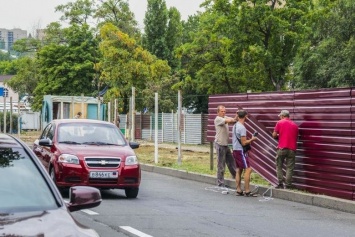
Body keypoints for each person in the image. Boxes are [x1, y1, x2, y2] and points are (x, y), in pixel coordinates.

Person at [232, 110, 258, 197]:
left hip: (235, 149)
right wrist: (252, 139)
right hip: (241, 151)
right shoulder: (242, 128)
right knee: (248, 169)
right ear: (246, 116)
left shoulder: (235, 125)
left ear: (238, 116)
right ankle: (247, 191)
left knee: (239, 169)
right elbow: (244, 143)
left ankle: (238, 190)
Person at [272, 110, 299, 189]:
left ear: (283, 116)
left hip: (282, 148)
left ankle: (280, 183)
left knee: (279, 165)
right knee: (290, 167)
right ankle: (288, 185)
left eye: (280, 116)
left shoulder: (280, 122)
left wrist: (278, 135)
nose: (280, 117)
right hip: (292, 149)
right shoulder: (295, 125)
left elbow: (274, 135)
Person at [214, 105, 237, 187]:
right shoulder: (218, 119)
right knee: (221, 165)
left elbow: (233, 120)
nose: (224, 112)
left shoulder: (225, 117)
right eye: (222, 111)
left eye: (224, 111)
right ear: (218, 112)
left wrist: (236, 117)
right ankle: (220, 183)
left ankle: (236, 177)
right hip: (220, 144)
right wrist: (233, 119)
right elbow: (228, 120)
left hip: (225, 145)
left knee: (231, 162)